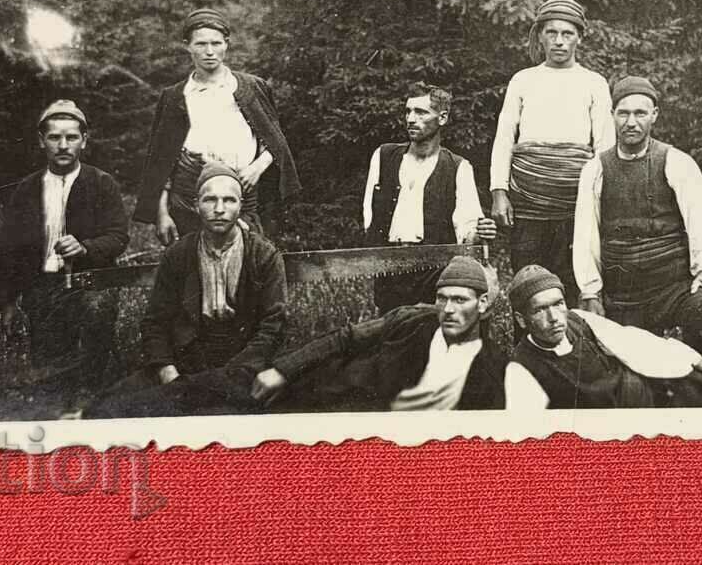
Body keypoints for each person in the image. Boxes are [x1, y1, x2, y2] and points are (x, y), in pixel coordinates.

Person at [87, 163, 287, 418]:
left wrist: (237, 372)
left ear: (240, 205)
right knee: (105, 408)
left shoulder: (263, 254)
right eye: (210, 200)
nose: (219, 209)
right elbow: (155, 322)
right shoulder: (179, 254)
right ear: (196, 205)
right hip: (190, 360)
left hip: (242, 365)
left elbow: (274, 325)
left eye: (229, 200)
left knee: (220, 415)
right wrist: (166, 369)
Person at [572, 76, 702, 359]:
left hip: (672, 288)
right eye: (623, 113)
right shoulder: (596, 169)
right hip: (622, 294)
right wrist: (591, 293)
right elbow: (586, 236)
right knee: (623, 369)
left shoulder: (676, 162)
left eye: (640, 113)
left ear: (654, 115)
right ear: (612, 115)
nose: (631, 122)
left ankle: (699, 391)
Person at [505, 265, 702, 410]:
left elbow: (630, 340)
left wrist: (693, 358)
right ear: (521, 319)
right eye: (540, 310)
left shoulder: (579, 319)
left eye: (558, 304)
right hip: (637, 421)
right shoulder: (523, 368)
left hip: (659, 385)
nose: (555, 317)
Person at [0, 100, 129, 410]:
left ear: (85, 140)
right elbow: (9, 249)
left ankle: (91, 390)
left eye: (71, 137)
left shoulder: (101, 183)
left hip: (91, 282)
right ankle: (57, 397)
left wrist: (86, 248)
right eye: (55, 137)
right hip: (42, 286)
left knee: (95, 319)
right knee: (49, 373)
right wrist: (7, 301)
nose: (63, 145)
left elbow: (118, 236)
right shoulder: (27, 189)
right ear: (41, 141)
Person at [248, 256, 508, 412]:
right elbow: (346, 338)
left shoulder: (493, 369)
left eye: (460, 300)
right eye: (442, 299)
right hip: (329, 394)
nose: (448, 309)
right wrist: (285, 369)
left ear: (483, 304)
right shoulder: (410, 319)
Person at [134, 7, 300, 241]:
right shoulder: (175, 96)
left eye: (216, 43)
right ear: (187, 46)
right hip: (189, 193)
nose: (209, 51)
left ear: (227, 44)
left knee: (249, 258)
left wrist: (257, 168)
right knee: (192, 264)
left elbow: (275, 140)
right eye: (201, 44)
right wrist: (162, 213)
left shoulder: (252, 87)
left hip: (243, 188)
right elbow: (161, 161)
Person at [490, 0, 614, 305]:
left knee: (573, 279)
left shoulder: (594, 82)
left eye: (567, 33)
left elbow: (604, 145)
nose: (559, 41)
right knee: (528, 277)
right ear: (540, 36)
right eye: (552, 33)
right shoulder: (524, 80)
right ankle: (526, 347)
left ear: (579, 39)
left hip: (576, 202)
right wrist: (499, 192)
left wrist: (602, 197)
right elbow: (505, 137)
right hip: (529, 202)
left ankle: (571, 347)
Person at [363, 84, 497, 312]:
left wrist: (480, 231)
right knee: (390, 334)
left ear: (442, 117)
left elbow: (466, 231)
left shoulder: (458, 167)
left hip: (435, 274)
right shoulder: (384, 156)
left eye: (421, 112)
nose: (411, 119)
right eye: (408, 111)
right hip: (390, 270)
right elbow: (369, 216)